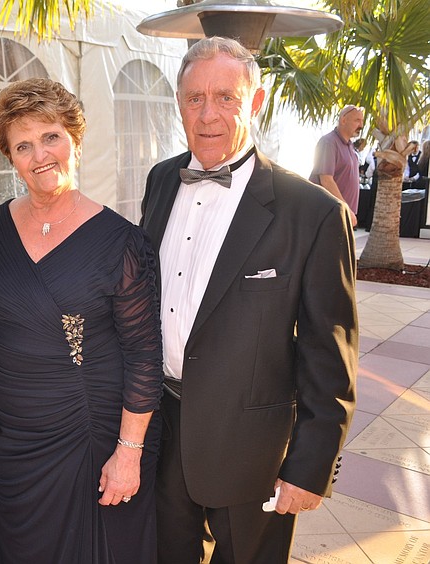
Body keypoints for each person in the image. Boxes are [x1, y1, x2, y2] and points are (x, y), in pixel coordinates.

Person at [139, 37, 357, 563]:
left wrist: (310, 466)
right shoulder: (162, 179)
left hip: (252, 449)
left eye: (225, 98)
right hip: (161, 431)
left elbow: (329, 354)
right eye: (195, 98)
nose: (207, 114)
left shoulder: (312, 212)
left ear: (255, 102)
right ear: (179, 103)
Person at [0, 78, 164, 562]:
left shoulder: (122, 241)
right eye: (23, 146)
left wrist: (129, 451)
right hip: (11, 437)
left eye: (51, 137)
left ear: (75, 139)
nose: (40, 156)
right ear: (10, 157)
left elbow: (143, 354)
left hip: (91, 431)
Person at [309, 103, 365, 226]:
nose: (361, 125)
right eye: (357, 120)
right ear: (343, 120)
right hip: (328, 215)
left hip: (341, 215)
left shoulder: (350, 146)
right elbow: (326, 180)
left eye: (362, 121)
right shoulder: (329, 143)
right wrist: (345, 207)